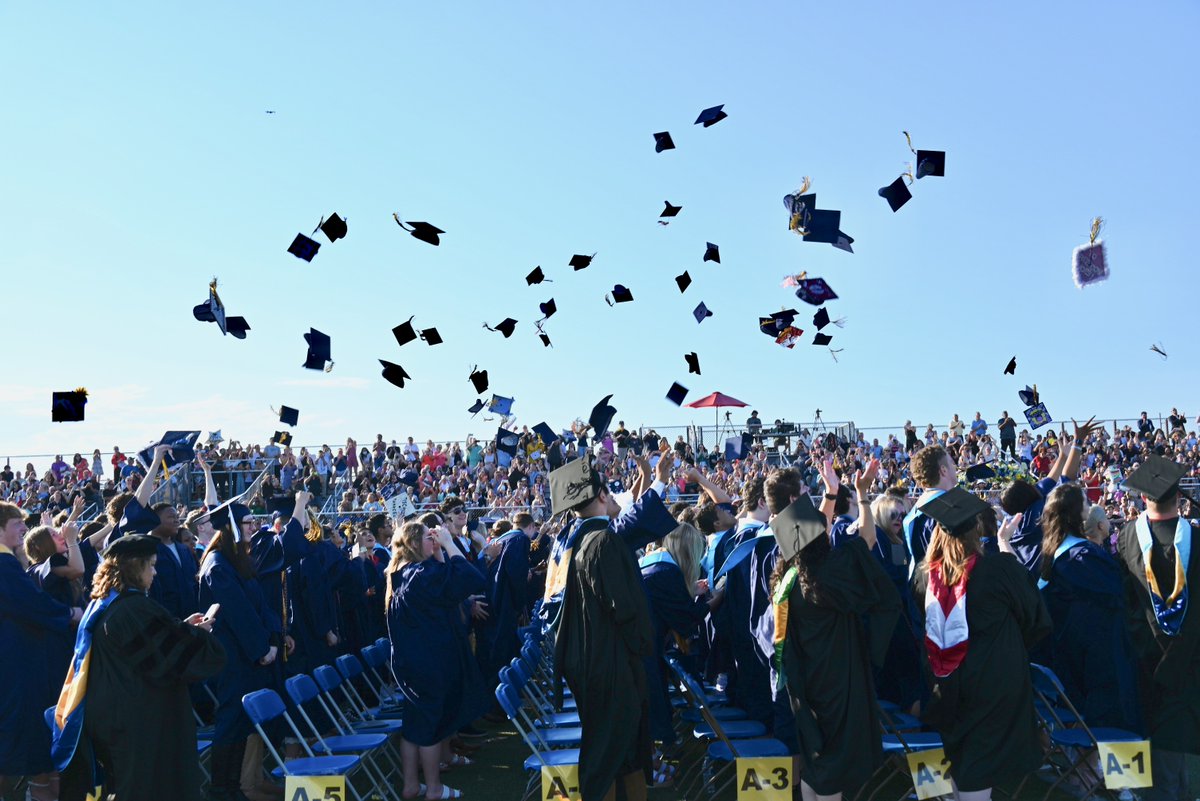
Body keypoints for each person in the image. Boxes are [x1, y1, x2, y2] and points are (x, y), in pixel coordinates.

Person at [53, 535, 226, 801]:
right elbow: (169, 659)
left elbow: (147, 646)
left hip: (117, 714)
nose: (155, 573)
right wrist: (198, 636)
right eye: (152, 565)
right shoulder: (134, 608)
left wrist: (181, 629)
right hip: (141, 721)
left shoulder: (105, 603)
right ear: (135, 566)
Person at [770, 471, 899, 801]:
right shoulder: (831, 572)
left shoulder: (786, 578)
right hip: (838, 679)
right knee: (835, 764)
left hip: (804, 682)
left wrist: (830, 492)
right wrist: (862, 493)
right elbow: (868, 538)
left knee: (815, 756)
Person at [916, 488, 1052, 800]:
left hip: (944, 682)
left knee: (960, 755)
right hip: (993, 680)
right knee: (979, 765)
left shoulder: (926, 577)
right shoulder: (997, 570)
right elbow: (1035, 616)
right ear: (976, 529)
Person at [550, 456, 665, 801]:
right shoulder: (602, 541)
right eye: (610, 492)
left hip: (588, 658)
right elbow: (625, 609)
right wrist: (644, 646)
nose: (616, 496)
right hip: (609, 661)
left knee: (623, 751)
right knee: (608, 754)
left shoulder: (573, 541)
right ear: (601, 494)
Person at [1115, 455, 1200, 800]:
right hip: (1189, 653)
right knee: (1176, 729)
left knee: (1147, 725)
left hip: (1141, 652)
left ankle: (1154, 790)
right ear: (1179, 497)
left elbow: (1124, 597)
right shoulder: (1196, 539)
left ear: (1142, 497)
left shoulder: (1126, 538)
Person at [387, 519, 487, 800]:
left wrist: (439, 550)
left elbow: (445, 586)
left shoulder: (403, 572)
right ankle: (434, 787)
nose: (434, 540)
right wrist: (449, 543)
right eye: (428, 538)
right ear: (414, 543)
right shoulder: (420, 574)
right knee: (429, 725)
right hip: (428, 661)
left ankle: (411, 785)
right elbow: (471, 579)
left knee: (414, 724)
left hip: (411, 661)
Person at [1037, 483, 1139, 738]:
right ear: (1075, 511)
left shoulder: (1055, 551)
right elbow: (1116, 592)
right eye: (1085, 502)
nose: (1089, 505)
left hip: (1071, 653)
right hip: (1099, 659)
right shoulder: (1081, 557)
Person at [198, 501, 282, 801]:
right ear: (231, 527)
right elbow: (238, 613)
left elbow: (261, 605)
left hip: (248, 655)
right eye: (247, 522)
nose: (253, 527)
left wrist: (274, 639)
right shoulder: (218, 565)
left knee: (242, 722)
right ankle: (222, 789)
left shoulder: (238, 562)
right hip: (232, 657)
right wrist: (261, 649)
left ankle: (235, 787)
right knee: (231, 721)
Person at [0, 502, 81, 801]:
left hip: (16, 660)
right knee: (27, 744)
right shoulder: (4, 564)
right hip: (17, 663)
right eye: (16, 523)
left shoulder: (10, 561)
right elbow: (31, 602)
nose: (24, 527)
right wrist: (70, 613)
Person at [638, 523, 718, 758]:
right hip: (645, 648)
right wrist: (717, 599)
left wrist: (690, 591)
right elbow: (685, 618)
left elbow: (667, 603)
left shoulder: (653, 563)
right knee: (650, 707)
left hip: (643, 643)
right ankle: (653, 762)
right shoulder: (667, 572)